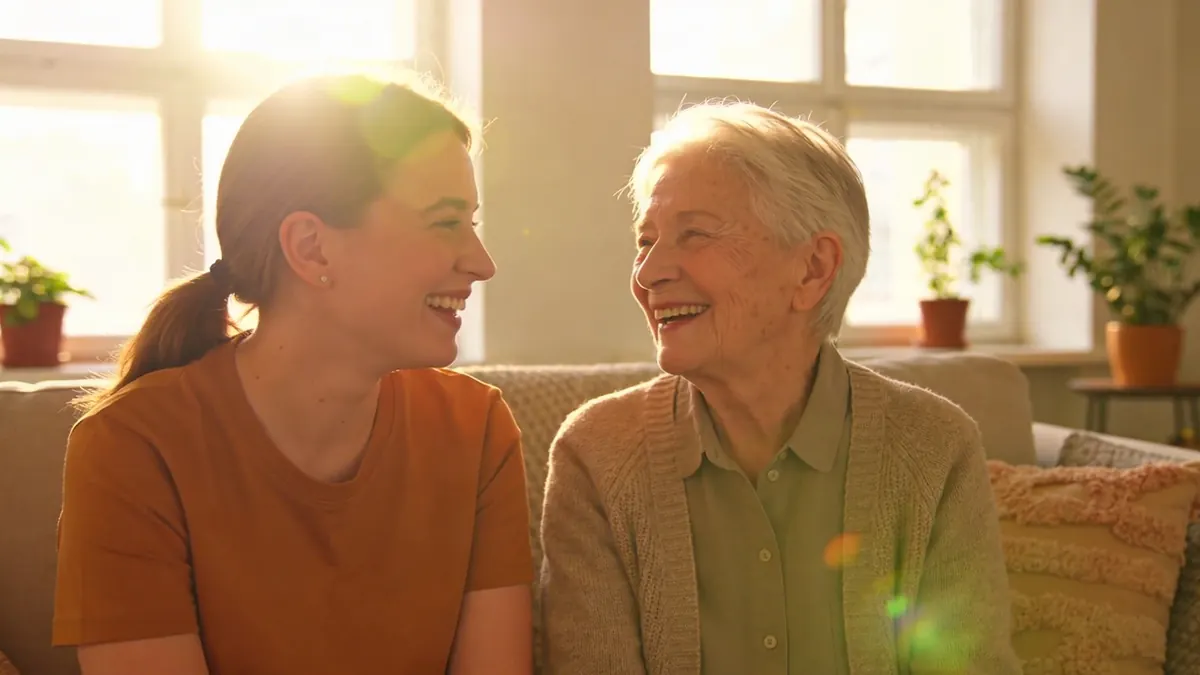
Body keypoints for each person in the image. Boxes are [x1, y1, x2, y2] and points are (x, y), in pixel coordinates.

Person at [53, 74, 534, 675]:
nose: (482, 263)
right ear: (311, 248)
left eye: (472, 224)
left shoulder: (475, 427)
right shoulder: (131, 446)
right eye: (444, 222)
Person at [538, 102, 1021, 674]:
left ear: (813, 268)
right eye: (646, 241)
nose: (648, 273)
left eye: (694, 234)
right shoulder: (596, 454)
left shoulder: (934, 447)